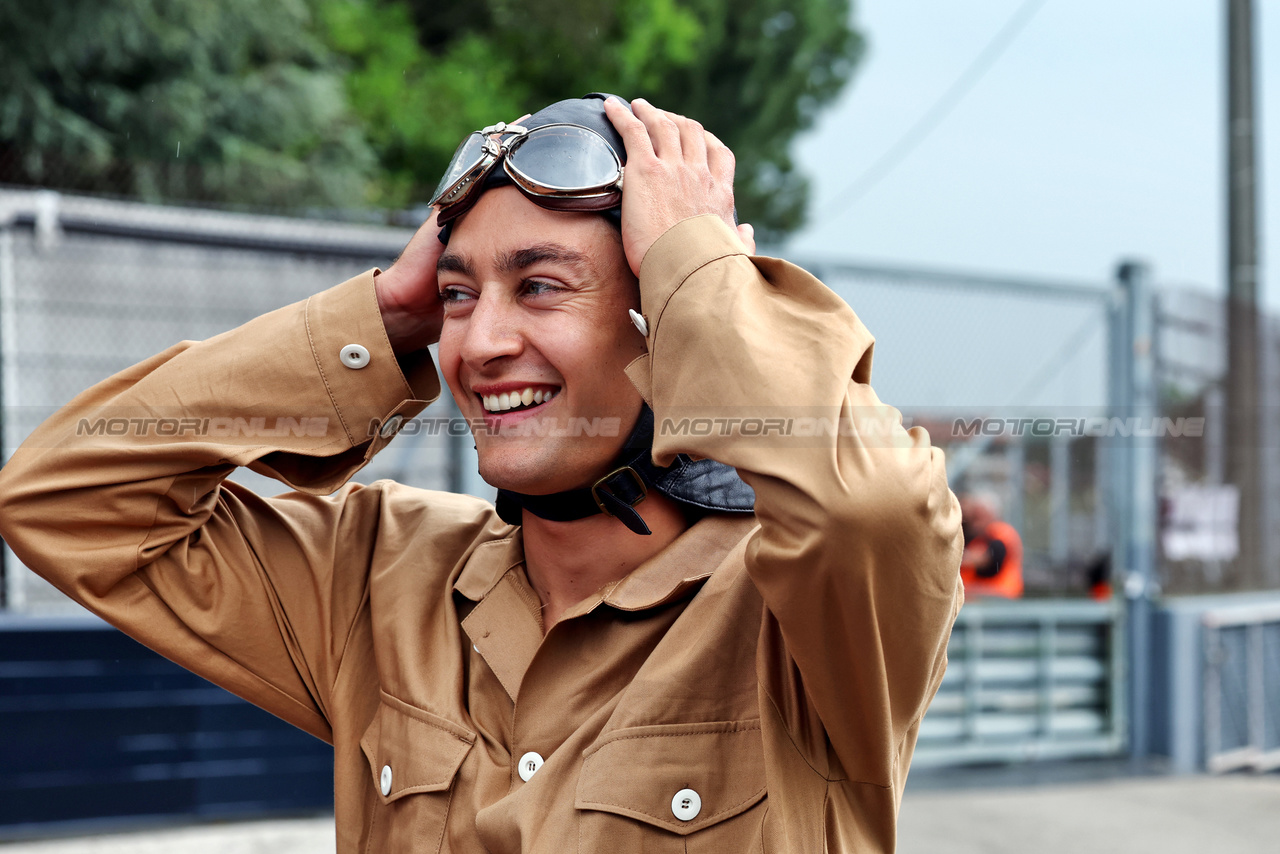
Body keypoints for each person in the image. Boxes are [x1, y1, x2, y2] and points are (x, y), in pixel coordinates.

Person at [0, 94, 963, 852]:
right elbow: (65, 497)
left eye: (541, 286)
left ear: (662, 325)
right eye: (461, 295)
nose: (484, 342)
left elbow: (867, 503)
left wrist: (698, 273)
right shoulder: (378, 575)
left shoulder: (805, 610)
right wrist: (387, 317)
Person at [959, 491, 1024, 599]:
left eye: (978, 516)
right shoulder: (978, 536)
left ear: (989, 514)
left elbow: (985, 559)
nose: (974, 522)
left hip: (998, 598)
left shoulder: (1001, 533)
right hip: (979, 598)